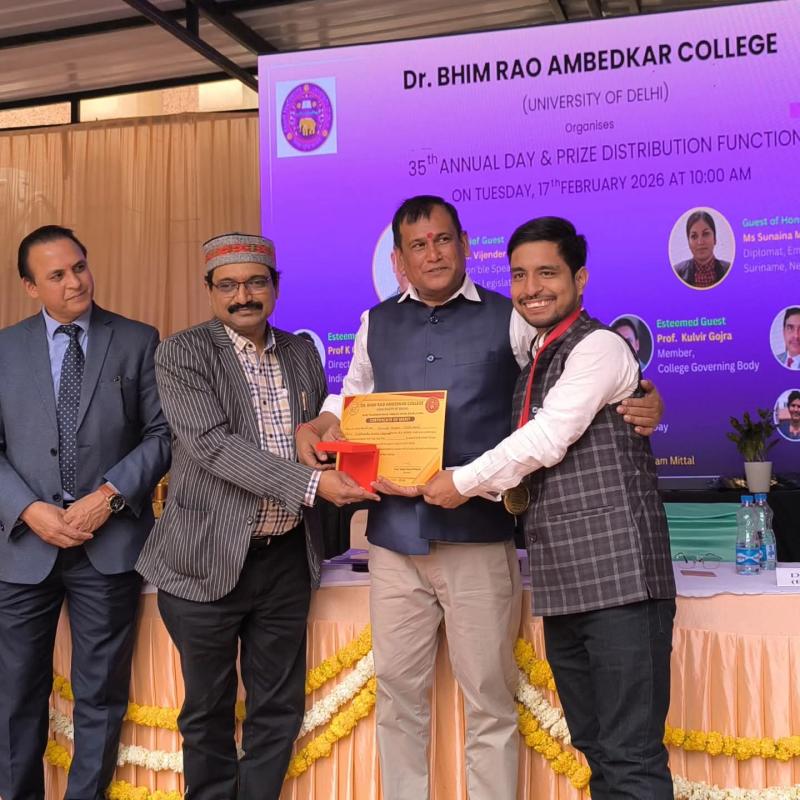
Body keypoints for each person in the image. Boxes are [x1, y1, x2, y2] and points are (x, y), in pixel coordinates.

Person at [295, 196, 663, 800]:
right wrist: (321, 421)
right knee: (398, 696)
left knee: (490, 698)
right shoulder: (374, 322)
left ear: (465, 245)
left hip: (479, 536)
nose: (433, 254)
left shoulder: (512, 316)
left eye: (443, 240)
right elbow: (355, 396)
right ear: (398, 259)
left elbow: (568, 374)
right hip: (393, 539)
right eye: (418, 245)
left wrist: (643, 391)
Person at [423, 216, 676, 800]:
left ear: (579, 279)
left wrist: (463, 481)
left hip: (622, 583)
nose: (531, 288)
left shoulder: (600, 347)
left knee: (631, 757)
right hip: (566, 584)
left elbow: (547, 438)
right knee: (596, 748)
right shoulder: (536, 350)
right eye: (518, 275)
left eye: (547, 273)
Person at [135, 233, 377, 800]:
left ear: (275, 286)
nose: (243, 296)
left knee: (277, 709)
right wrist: (313, 484)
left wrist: (340, 451)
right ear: (210, 291)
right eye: (228, 285)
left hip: (285, 560)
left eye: (255, 282)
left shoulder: (301, 352)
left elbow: (315, 434)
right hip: (203, 560)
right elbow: (213, 447)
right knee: (208, 710)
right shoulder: (182, 353)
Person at [0, 225, 171, 800]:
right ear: (31, 287)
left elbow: (161, 434)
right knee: (14, 696)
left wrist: (109, 496)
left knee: (100, 696)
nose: (75, 281)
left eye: (79, 266)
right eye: (57, 275)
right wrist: (29, 509)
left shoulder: (137, 339)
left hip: (110, 545)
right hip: (24, 549)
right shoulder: (4, 349)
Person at [673, 210, 731, 288]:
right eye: (694, 236)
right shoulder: (676, 272)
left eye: (706, 234)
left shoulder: (729, 270)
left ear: (715, 239)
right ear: (688, 242)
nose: (700, 242)